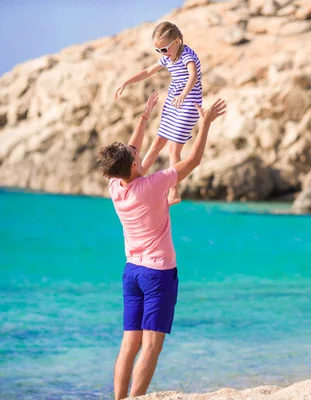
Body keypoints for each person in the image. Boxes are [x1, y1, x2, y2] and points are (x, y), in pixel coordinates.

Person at [97, 92, 226, 400]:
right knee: (152, 346)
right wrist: (205, 123)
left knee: (129, 344)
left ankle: (118, 398)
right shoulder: (153, 186)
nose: (138, 153)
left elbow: (131, 151)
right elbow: (193, 160)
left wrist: (144, 117)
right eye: (134, 155)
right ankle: (136, 398)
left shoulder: (116, 186)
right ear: (130, 165)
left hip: (132, 273)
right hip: (157, 275)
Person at [114, 21, 203, 205]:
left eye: (165, 49)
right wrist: (126, 83)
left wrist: (184, 94)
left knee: (173, 149)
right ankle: (137, 178)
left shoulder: (187, 54)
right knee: (157, 142)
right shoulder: (166, 58)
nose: (163, 54)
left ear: (178, 41)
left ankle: (174, 193)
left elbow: (193, 76)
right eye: (159, 50)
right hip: (173, 103)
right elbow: (147, 71)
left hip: (188, 103)